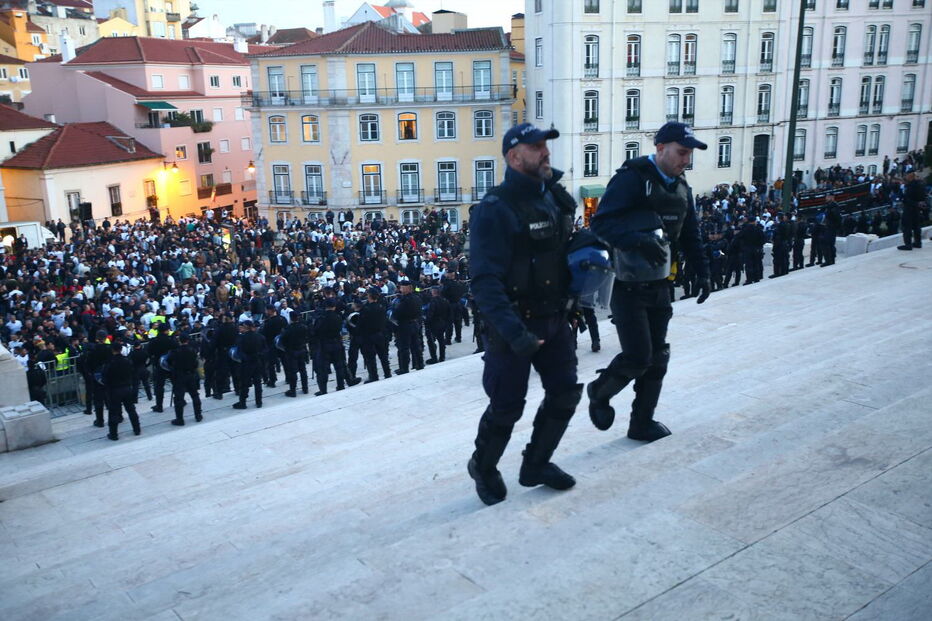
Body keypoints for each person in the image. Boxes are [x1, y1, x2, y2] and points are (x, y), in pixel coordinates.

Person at [467, 122, 582, 506]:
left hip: (556, 318)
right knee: (506, 408)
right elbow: (484, 280)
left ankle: (536, 463)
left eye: (546, 145)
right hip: (514, 327)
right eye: (536, 148)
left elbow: (560, 252)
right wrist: (515, 333)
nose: (546, 153)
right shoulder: (494, 209)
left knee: (565, 394)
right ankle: (483, 467)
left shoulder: (554, 197)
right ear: (514, 157)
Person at [587, 121, 710, 443]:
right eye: (682, 152)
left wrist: (703, 272)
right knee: (639, 356)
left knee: (658, 358)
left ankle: (641, 423)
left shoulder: (681, 187)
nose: (686, 160)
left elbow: (690, 232)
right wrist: (635, 241)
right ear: (660, 148)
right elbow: (599, 223)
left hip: (660, 284)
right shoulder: (631, 179)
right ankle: (599, 392)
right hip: (627, 285)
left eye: (689, 154)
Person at [104, 341, 140, 440]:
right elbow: (132, 372)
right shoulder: (127, 361)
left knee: (113, 412)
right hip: (127, 388)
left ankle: (114, 434)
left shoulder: (110, 363)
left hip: (114, 390)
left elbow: (105, 378)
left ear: (112, 350)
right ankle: (137, 429)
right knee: (131, 409)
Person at [169, 333, 202, 425]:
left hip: (179, 375)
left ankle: (180, 419)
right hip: (190, 374)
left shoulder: (175, 351)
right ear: (188, 340)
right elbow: (196, 363)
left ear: (180, 340)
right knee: (195, 395)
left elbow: (168, 362)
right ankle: (198, 415)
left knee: (179, 398)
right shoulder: (193, 351)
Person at [232, 320, 266, 409]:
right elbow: (265, 350)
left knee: (244, 384)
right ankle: (259, 401)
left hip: (247, 363)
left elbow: (239, 352)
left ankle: (242, 402)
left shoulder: (242, 338)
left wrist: (245, 358)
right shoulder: (260, 336)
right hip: (257, 361)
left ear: (246, 327)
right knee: (258, 382)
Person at [147, 322, 176, 412]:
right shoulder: (170, 340)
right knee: (176, 383)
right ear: (166, 331)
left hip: (158, 366)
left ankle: (159, 406)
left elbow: (149, 352)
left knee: (159, 386)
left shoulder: (154, 341)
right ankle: (180, 400)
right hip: (171, 365)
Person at [280, 315, 310, 397]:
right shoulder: (303, 327)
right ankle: (305, 388)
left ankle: (293, 390)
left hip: (292, 351)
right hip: (301, 349)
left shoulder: (288, 329)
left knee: (292, 372)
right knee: (303, 370)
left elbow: (283, 340)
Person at [898, 171, 926, 250]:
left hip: (910, 208)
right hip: (917, 209)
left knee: (907, 226)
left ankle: (908, 244)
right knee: (916, 226)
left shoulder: (911, 186)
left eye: (907, 175)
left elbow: (908, 198)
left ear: (910, 176)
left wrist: (903, 198)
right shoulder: (920, 184)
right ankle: (918, 242)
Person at [425, 286, 451, 364]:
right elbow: (449, 313)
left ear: (434, 292)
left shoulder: (433, 302)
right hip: (442, 323)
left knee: (431, 341)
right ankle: (442, 357)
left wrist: (426, 322)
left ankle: (434, 358)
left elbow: (430, 314)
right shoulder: (445, 300)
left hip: (434, 324)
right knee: (441, 340)